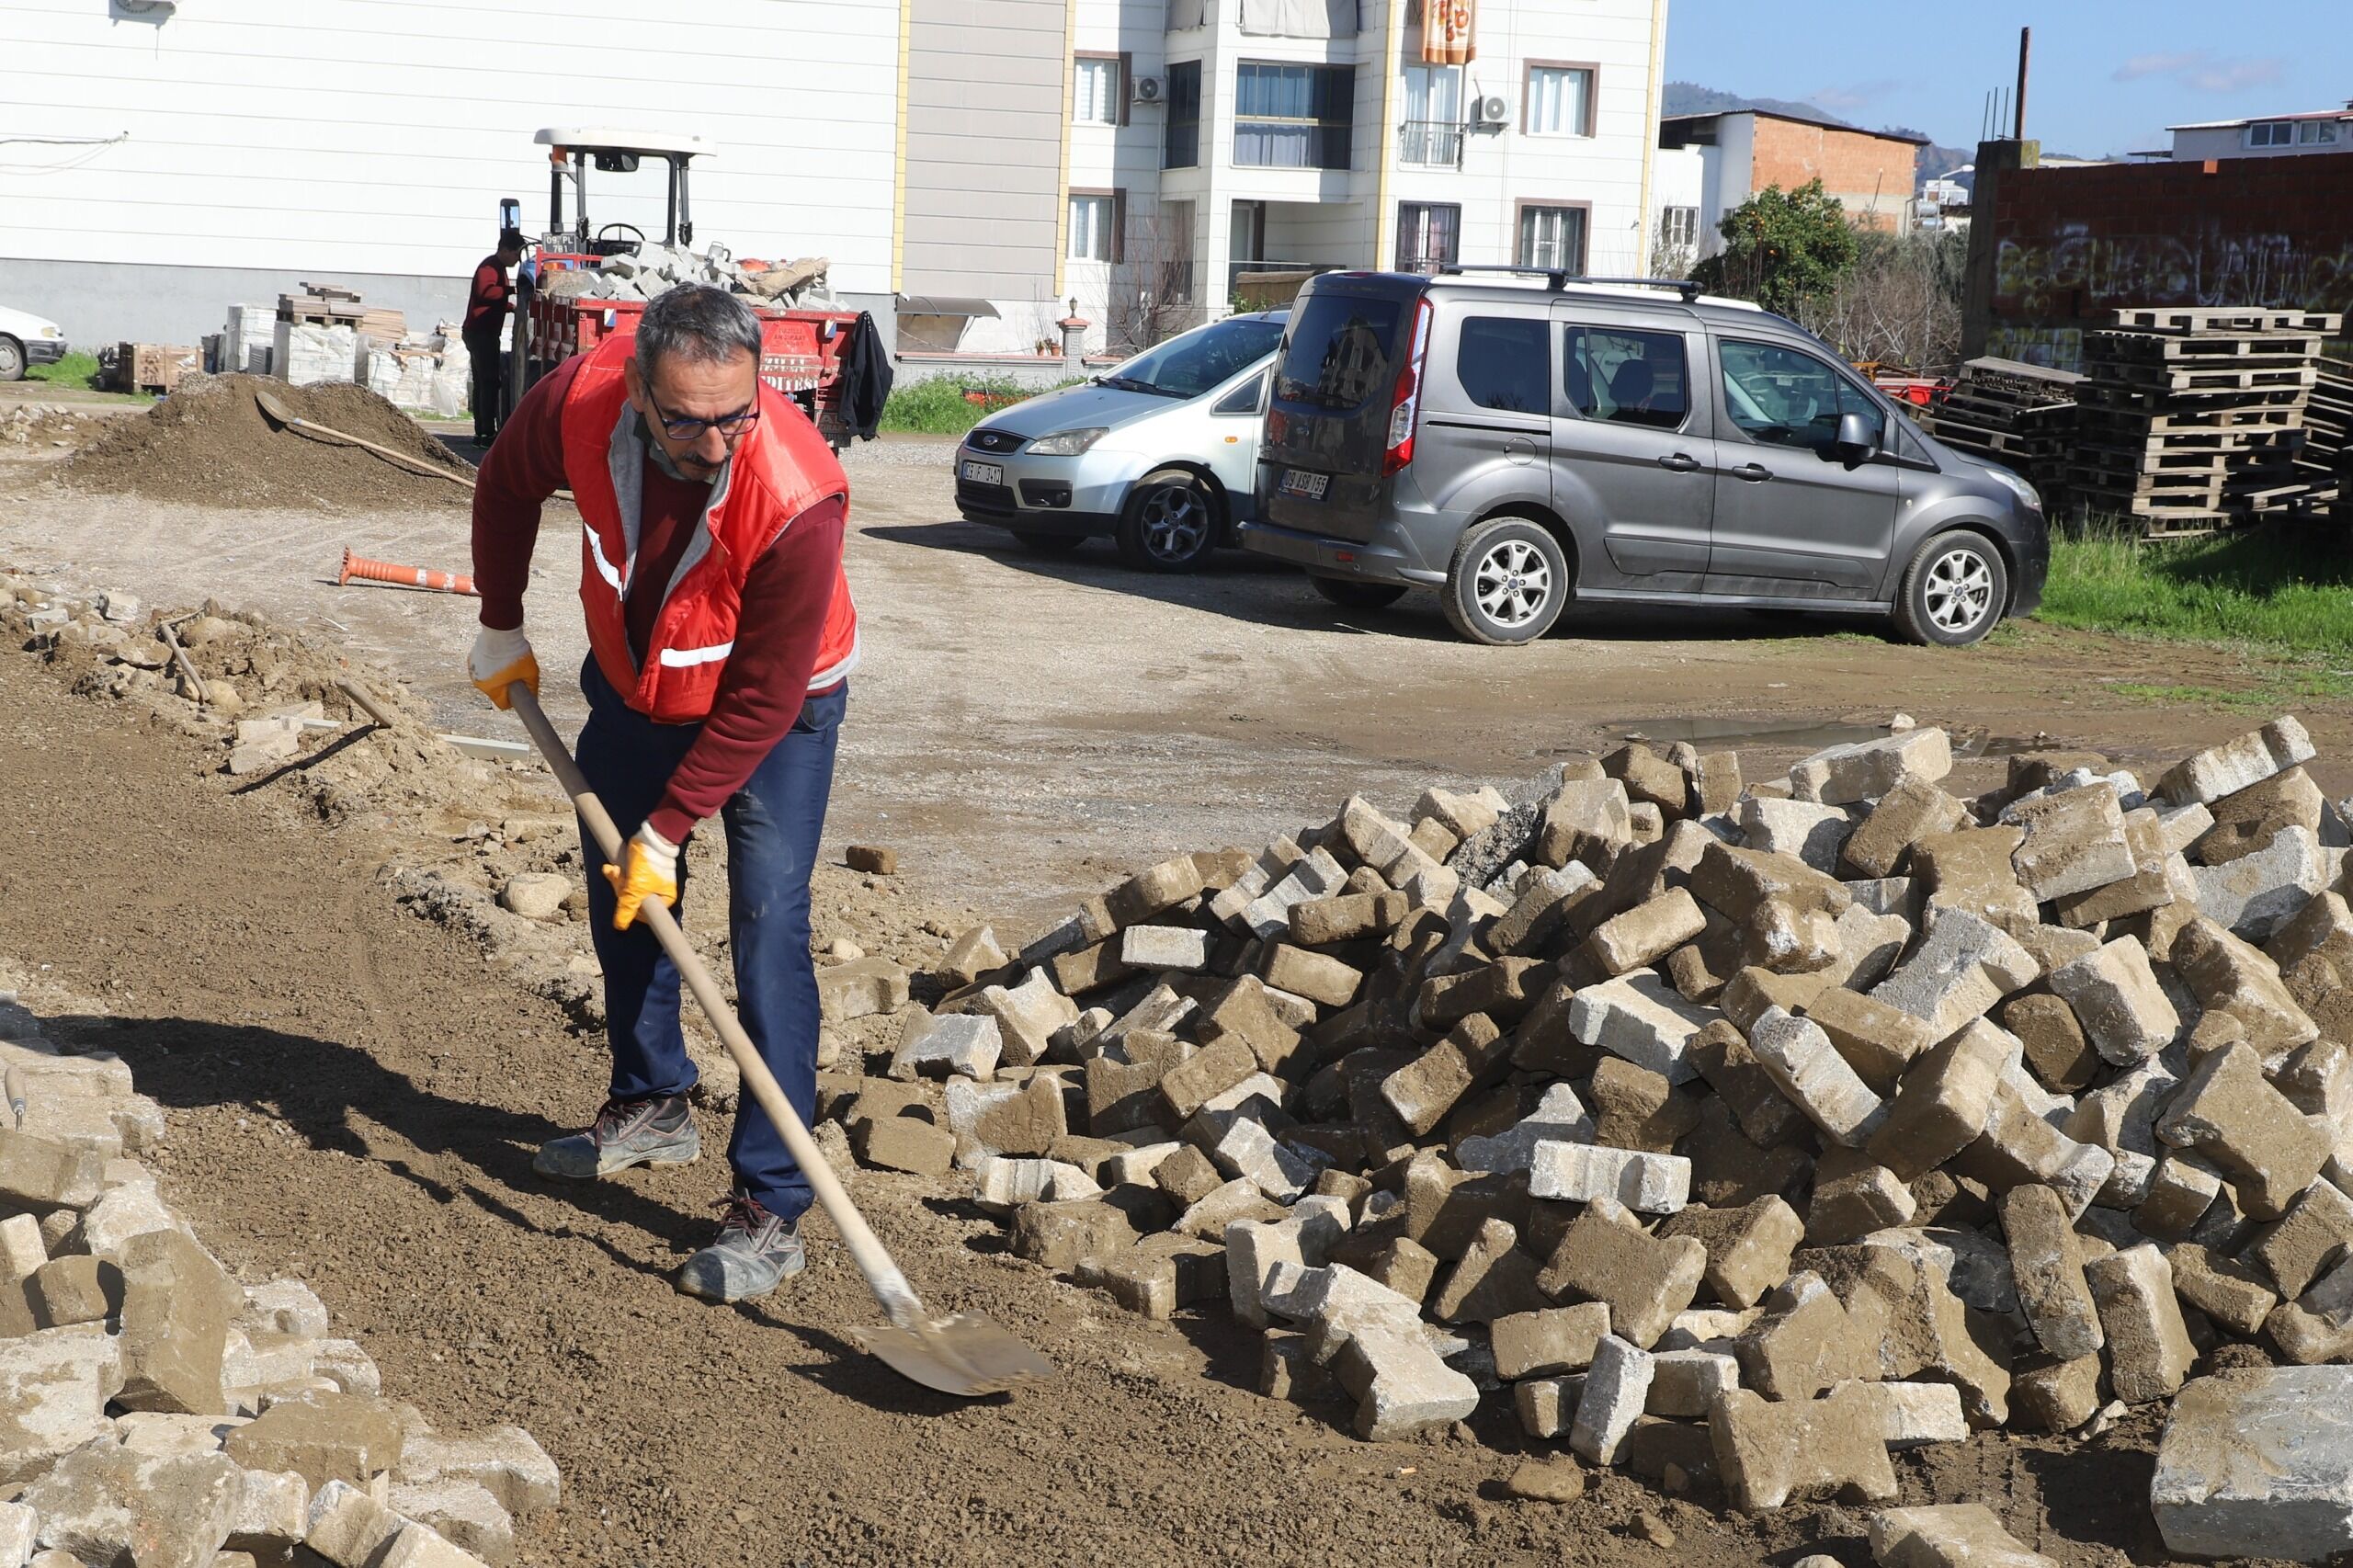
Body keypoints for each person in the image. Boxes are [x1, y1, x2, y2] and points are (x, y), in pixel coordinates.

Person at [465, 284, 857, 1304]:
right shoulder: (581, 398)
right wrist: (501, 622)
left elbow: (766, 693)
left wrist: (673, 827)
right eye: (687, 420)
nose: (717, 443)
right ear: (640, 390)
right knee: (621, 887)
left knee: (768, 928)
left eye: (737, 415)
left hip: (777, 714)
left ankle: (770, 1204)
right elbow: (506, 486)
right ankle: (653, 1101)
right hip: (641, 683)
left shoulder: (798, 495)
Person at [463, 230, 528, 447]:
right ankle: (487, 433)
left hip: (480, 331)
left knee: (483, 382)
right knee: (489, 382)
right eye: (516, 254)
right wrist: (512, 290)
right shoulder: (489, 267)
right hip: (481, 333)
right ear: (505, 250)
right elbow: (485, 293)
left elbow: (490, 298)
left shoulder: (496, 267)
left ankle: (482, 432)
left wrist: (508, 307)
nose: (517, 260)